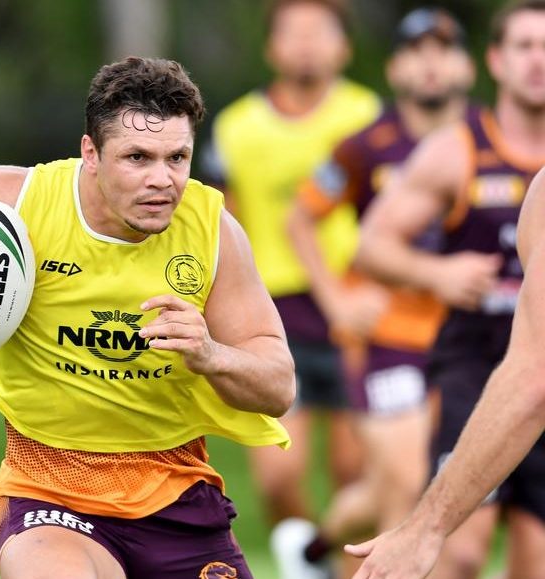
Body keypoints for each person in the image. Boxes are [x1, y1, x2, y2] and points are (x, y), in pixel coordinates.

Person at [0, 56, 296, 579]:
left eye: (177, 158)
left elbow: (278, 386)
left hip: (175, 490)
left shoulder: (212, 231)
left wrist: (212, 354)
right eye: (137, 157)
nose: (162, 180)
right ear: (91, 153)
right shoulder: (22, 200)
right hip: (47, 490)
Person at [347, 1, 545, 576]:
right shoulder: (457, 149)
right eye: (525, 46)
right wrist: (439, 274)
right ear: (496, 61)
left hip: (537, 369)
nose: (538, 61)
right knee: (460, 552)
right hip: (477, 365)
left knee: (534, 559)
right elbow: (370, 246)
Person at [277, 8, 476, 577]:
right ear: (394, 69)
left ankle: (316, 549)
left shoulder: (487, 138)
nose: (430, 64)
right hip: (388, 335)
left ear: (468, 65)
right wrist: (337, 302)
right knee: (408, 485)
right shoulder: (367, 145)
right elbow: (300, 219)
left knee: (417, 485)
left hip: (468, 339)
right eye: (416, 52)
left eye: (443, 50)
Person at [203, 0, 380, 561]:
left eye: (319, 32)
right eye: (293, 32)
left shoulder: (368, 116)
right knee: (279, 478)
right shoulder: (236, 126)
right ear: (271, 47)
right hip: (270, 315)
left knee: (355, 475)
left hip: (354, 312)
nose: (306, 44)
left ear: (344, 47)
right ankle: (310, 563)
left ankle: (339, 565)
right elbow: (218, 224)